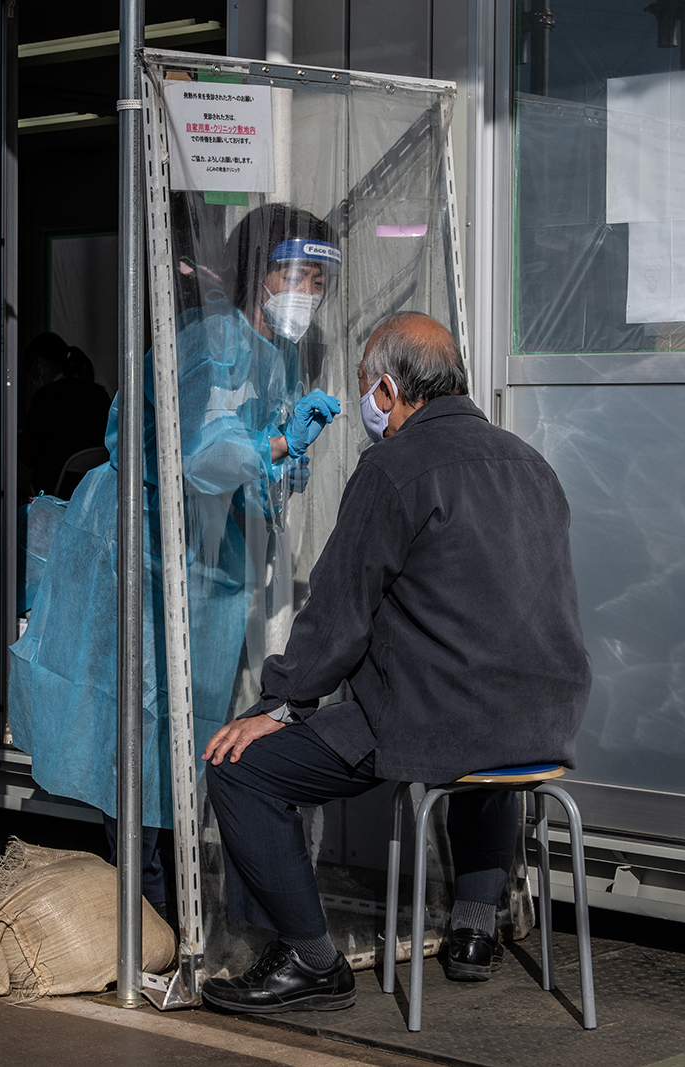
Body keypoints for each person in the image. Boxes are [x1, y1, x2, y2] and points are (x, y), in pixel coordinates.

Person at [198, 312, 591, 1014]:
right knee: (484, 731)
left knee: (240, 768)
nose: (366, 412)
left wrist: (280, 705)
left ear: (388, 389)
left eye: (366, 395)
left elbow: (339, 612)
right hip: (544, 721)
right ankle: (473, 931)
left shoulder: (394, 468)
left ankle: (310, 961)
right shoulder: (529, 461)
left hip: (439, 723)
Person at [8, 204, 344, 917]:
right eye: (294, 273)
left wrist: (285, 457)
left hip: (205, 559)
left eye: (318, 279)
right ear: (258, 271)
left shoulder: (276, 354)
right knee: (139, 719)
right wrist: (279, 444)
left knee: (180, 733)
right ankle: (149, 909)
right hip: (145, 542)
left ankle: (164, 908)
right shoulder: (215, 338)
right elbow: (202, 453)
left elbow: (260, 478)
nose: (305, 292)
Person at [17, 333, 111, 499]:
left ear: (40, 364)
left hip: (56, 492)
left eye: (32, 373)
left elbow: (29, 451)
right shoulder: (98, 393)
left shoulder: (45, 397)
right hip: (98, 488)